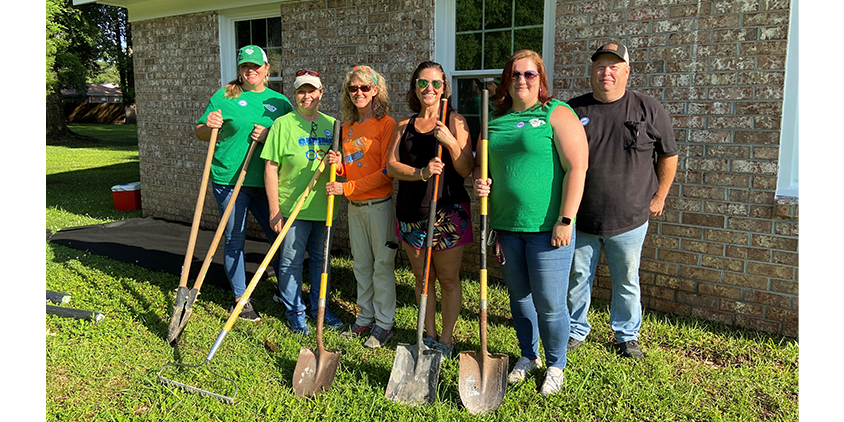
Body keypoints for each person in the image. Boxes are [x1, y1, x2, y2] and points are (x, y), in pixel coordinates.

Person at [473, 49, 588, 396]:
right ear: (507, 81)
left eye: (530, 75)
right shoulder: (494, 121)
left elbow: (577, 168)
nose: (522, 80)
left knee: (550, 304)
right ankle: (529, 355)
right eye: (515, 74)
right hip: (507, 227)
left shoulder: (556, 112)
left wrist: (566, 219)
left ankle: (556, 364)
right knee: (520, 298)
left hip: (547, 229)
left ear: (541, 81)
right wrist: (481, 183)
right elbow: (484, 170)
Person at [566, 43, 678, 359]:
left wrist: (660, 195)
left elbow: (669, 155)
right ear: (592, 71)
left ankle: (626, 335)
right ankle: (576, 330)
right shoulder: (573, 111)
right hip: (581, 218)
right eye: (601, 66)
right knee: (578, 279)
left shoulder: (648, 109)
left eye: (614, 66)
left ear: (626, 71)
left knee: (626, 281)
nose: (607, 72)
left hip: (630, 219)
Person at [194, 45, 294, 322]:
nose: (250, 71)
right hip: (228, 179)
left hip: (266, 182)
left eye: (256, 66)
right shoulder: (224, 96)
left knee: (280, 236)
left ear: (267, 69)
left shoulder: (280, 102)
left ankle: (284, 291)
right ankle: (241, 297)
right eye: (244, 67)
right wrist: (208, 124)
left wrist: (270, 135)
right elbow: (201, 131)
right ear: (239, 70)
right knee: (234, 237)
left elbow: (288, 140)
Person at [386, 61, 474, 358]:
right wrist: (422, 172)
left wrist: (450, 142)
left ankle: (446, 341)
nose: (429, 89)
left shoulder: (456, 121)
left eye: (436, 83)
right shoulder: (403, 125)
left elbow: (465, 169)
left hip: (448, 211)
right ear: (415, 87)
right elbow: (391, 166)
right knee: (423, 279)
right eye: (423, 83)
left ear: (444, 88)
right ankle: (429, 335)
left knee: (448, 279)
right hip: (412, 211)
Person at [260, 69, 342, 335]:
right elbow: (270, 167)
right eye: (301, 91)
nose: (307, 96)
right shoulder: (283, 124)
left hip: (324, 206)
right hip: (292, 206)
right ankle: (295, 311)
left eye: (312, 90)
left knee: (321, 261)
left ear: (321, 92)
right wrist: (274, 209)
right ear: (295, 94)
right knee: (290, 261)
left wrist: (338, 164)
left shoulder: (334, 125)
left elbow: (345, 166)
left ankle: (320, 307)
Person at [326, 65, 398, 349]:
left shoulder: (386, 124)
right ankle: (364, 317)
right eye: (353, 88)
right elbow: (353, 167)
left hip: (378, 206)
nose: (359, 93)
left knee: (382, 266)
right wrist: (339, 168)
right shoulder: (346, 127)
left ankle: (384, 323)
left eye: (364, 88)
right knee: (361, 265)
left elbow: (386, 171)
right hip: (354, 207)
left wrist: (348, 188)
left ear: (375, 91)